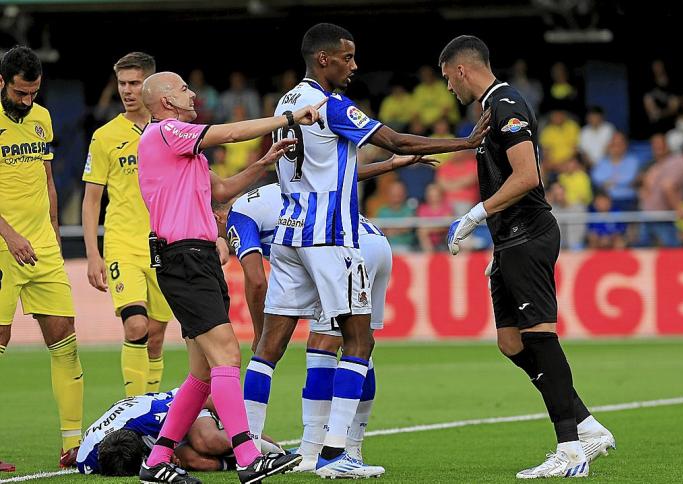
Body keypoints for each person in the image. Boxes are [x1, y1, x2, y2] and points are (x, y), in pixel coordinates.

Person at [243, 22, 489, 480]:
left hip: (290, 235)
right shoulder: (331, 105)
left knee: (267, 348)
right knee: (359, 339)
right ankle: (338, 455)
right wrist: (467, 142)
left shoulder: (286, 103)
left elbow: (334, 168)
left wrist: (394, 164)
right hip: (331, 239)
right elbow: (394, 137)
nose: (354, 66)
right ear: (323, 59)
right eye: (347, 57)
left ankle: (249, 450)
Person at [136, 70, 323, 483]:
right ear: (166, 101)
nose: (192, 93)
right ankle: (246, 455)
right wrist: (287, 119)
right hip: (184, 258)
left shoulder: (183, 149)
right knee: (228, 357)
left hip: (195, 258)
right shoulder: (166, 132)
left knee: (202, 374)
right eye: (184, 89)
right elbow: (231, 133)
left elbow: (220, 191)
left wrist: (263, 164)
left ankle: (156, 462)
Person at [442, 36, 614, 479]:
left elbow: (527, 176)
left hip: (528, 233)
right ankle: (587, 423)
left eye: (447, 78)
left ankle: (571, 450)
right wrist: (496, 241)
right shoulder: (490, 110)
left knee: (539, 335)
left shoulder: (506, 103)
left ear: (462, 70)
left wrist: (476, 215)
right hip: (509, 240)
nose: (448, 89)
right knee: (511, 342)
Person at [217, 154, 430, 474]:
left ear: (218, 213)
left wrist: (261, 333)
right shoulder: (285, 187)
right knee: (349, 345)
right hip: (372, 241)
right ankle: (337, 449)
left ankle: (269, 447)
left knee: (326, 347)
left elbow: (257, 280)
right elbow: (345, 175)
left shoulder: (237, 214)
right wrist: (391, 164)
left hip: (343, 250)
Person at [0, 45, 84, 468]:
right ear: (2, 83)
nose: (27, 101)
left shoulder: (43, 119)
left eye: (33, 93)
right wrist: (10, 234)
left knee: (64, 338)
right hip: (2, 245)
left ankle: (73, 445)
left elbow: (47, 177)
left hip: (41, 246)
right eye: (20, 94)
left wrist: (51, 230)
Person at [82, 52, 173, 397]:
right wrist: (93, 254)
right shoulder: (105, 136)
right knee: (136, 324)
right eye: (122, 83)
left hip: (165, 245)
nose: (127, 90)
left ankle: (149, 415)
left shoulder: (171, 130)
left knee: (157, 336)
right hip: (123, 243)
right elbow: (92, 200)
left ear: (149, 85)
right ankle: (133, 416)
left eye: (135, 83)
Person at [76, 389, 285, 476]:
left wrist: (234, 424)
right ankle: (232, 462)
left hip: (186, 404)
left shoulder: (151, 418)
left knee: (208, 442)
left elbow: (206, 398)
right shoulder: (88, 460)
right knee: (194, 461)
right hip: (154, 433)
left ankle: (273, 452)